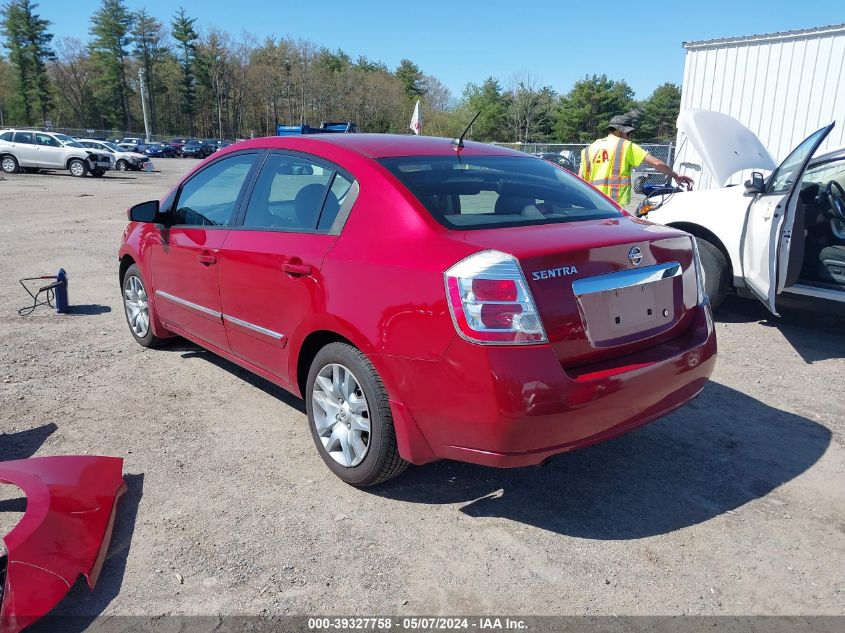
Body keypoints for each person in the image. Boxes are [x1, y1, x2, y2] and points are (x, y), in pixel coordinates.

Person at [578, 112, 694, 206]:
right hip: (613, 205)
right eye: (628, 133)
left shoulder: (588, 150)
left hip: (592, 204)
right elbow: (656, 163)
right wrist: (675, 175)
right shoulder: (625, 146)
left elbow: (579, 179)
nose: (629, 137)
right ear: (620, 130)